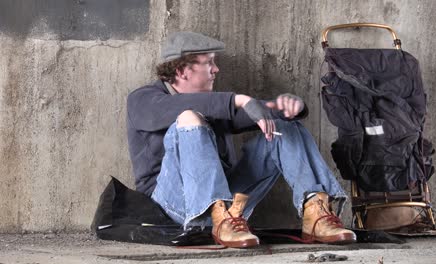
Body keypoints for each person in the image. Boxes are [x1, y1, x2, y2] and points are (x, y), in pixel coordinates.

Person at [127, 31, 356, 248]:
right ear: (182, 70)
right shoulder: (143, 100)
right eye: (209, 63)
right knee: (188, 117)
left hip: (229, 207)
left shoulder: (213, 103)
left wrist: (281, 107)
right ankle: (218, 217)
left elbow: (244, 112)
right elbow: (181, 108)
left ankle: (315, 213)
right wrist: (239, 99)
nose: (216, 70)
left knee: (284, 127)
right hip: (174, 207)